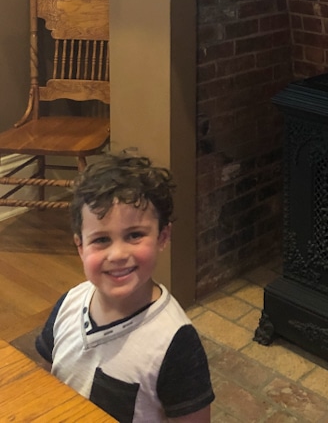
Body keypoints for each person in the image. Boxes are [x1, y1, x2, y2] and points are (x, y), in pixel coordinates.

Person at [36, 153, 215, 423]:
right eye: (101, 239)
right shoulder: (68, 304)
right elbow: (43, 383)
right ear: (80, 246)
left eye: (134, 235)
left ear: (162, 237)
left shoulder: (175, 342)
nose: (118, 254)